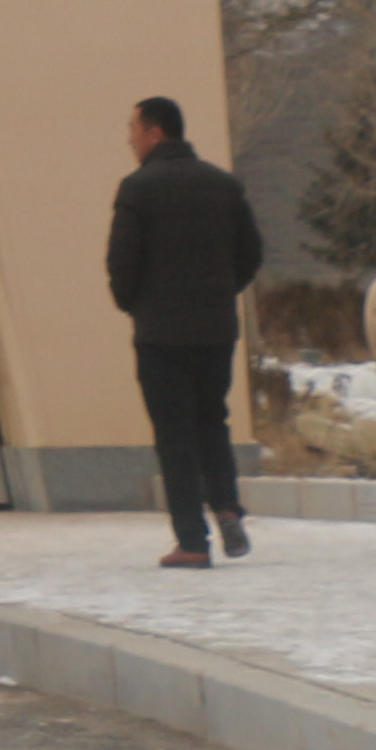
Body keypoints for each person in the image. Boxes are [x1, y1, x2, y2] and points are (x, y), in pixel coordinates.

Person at [108, 93, 266, 568]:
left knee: (173, 433)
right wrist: (220, 292)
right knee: (211, 420)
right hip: (216, 328)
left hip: (160, 334)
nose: (130, 141)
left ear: (155, 133)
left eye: (134, 131)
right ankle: (225, 504)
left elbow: (123, 261)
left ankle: (192, 541)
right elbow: (250, 254)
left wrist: (133, 303)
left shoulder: (137, 189)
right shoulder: (224, 186)